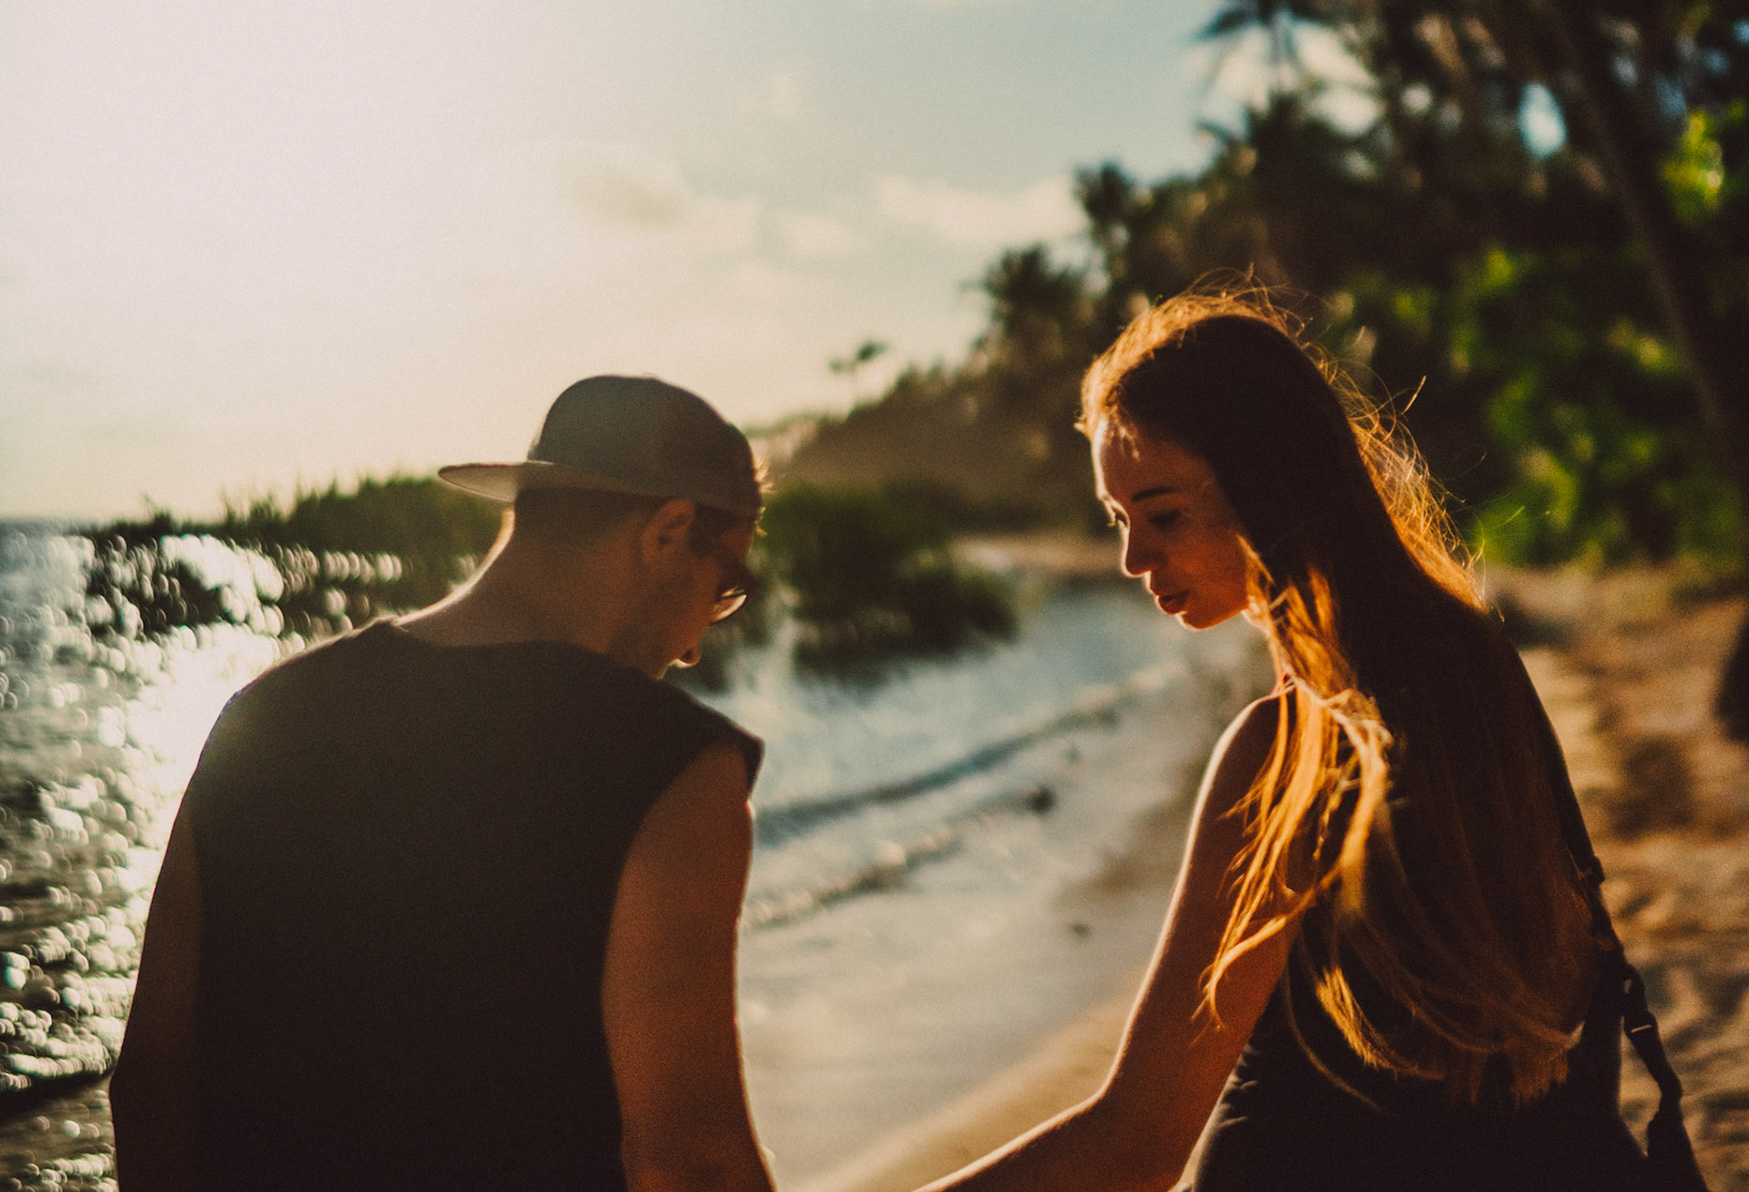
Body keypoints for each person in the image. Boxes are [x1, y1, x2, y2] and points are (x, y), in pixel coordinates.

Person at [916, 291, 1649, 1192]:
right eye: (1119, 520)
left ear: (1266, 482)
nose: (1132, 560)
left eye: (1165, 514)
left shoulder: (1289, 748)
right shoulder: (1478, 670)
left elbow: (1137, 1142)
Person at [109, 375, 778, 1192]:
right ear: (670, 532)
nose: (695, 648)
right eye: (725, 590)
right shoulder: (670, 767)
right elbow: (689, 1161)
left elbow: (147, 1089)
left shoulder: (262, 717)